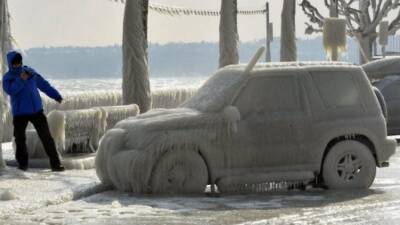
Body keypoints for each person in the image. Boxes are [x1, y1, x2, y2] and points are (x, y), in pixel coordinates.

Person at [2, 51, 65, 172]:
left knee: (46, 137)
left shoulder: (30, 72)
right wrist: (20, 79)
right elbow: (11, 91)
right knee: (19, 138)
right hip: (20, 113)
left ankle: (56, 164)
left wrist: (56, 95)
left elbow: (44, 85)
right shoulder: (8, 78)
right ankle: (23, 164)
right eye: (15, 63)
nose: (17, 65)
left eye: (19, 63)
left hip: (36, 110)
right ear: (10, 64)